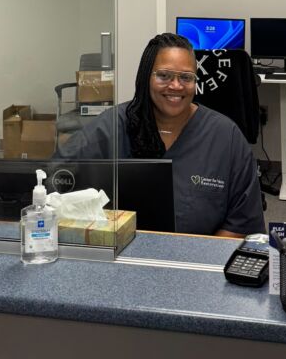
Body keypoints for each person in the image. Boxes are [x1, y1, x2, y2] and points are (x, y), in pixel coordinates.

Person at [58, 33, 265, 237]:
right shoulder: (112, 126)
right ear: (145, 76)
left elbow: (241, 224)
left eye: (186, 77)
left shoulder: (225, 137)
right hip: (118, 256)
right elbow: (56, 178)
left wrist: (192, 266)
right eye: (164, 75)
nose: (176, 85)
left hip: (196, 262)